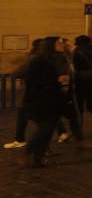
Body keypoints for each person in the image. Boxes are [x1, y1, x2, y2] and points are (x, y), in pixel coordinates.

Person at [20, 37, 64, 168]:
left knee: (48, 131)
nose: (62, 44)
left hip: (53, 101)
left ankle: (39, 158)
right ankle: (27, 153)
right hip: (40, 102)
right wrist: (56, 80)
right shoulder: (38, 61)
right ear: (50, 46)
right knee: (44, 129)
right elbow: (31, 81)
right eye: (59, 42)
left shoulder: (57, 59)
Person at [4, 39, 42, 150]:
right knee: (39, 118)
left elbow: (17, 73)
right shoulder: (48, 58)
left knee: (28, 116)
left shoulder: (33, 59)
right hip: (41, 93)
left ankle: (20, 140)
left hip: (29, 93)